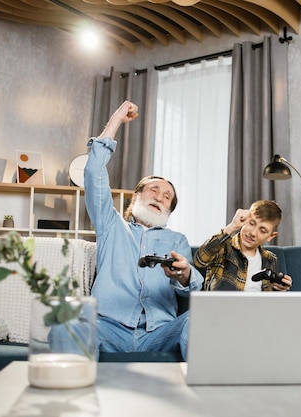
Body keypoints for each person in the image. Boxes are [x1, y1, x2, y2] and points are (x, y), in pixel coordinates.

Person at [84, 100, 204, 360]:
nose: (160, 196)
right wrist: (116, 119)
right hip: (107, 327)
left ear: (169, 210)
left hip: (160, 333)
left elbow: (194, 287)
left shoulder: (177, 239)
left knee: (199, 319)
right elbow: (94, 173)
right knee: (75, 324)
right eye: (154, 189)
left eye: (167, 196)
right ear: (136, 197)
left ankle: (202, 399)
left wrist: (184, 274)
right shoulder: (110, 225)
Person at [194, 200, 292, 291]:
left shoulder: (271, 259)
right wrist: (232, 226)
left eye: (262, 230)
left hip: (257, 308)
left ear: (271, 236)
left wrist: (279, 290)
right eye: (251, 223)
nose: (253, 233)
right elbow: (199, 261)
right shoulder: (223, 246)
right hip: (223, 307)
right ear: (243, 220)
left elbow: (269, 299)